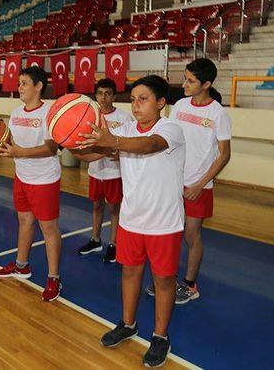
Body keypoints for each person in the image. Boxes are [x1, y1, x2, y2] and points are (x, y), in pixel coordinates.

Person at [75, 75, 185, 368]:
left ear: (161, 103)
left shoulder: (170, 129)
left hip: (164, 222)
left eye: (143, 98)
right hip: (131, 220)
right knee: (130, 274)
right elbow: (95, 154)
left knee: (163, 280)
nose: (136, 105)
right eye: (133, 98)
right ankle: (128, 323)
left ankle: (160, 336)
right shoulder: (123, 129)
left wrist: (114, 140)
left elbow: (149, 145)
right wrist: (67, 139)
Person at [149, 58, 231, 305]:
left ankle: (190, 284)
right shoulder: (181, 105)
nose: (184, 83)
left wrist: (200, 184)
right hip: (173, 181)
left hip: (199, 186)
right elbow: (170, 139)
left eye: (191, 80)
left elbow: (225, 154)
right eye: (185, 78)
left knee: (191, 235)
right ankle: (167, 280)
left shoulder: (218, 113)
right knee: (169, 232)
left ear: (206, 84)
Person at [0, 66, 62, 302]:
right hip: (21, 175)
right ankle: (22, 265)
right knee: (24, 220)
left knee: (49, 229)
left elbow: (51, 148)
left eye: (24, 83)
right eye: (19, 82)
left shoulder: (49, 113)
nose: (20, 87)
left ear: (39, 86)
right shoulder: (15, 113)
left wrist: (19, 152)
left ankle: (54, 277)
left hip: (44, 179)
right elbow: (11, 142)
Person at [75, 79, 133, 263]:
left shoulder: (124, 118)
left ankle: (114, 244)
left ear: (114, 96)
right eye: (100, 93)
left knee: (114, 209)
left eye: (108, 93)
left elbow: (130, 142)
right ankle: (95, 239)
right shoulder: (90, 116)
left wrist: (120, 154)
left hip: (114, 172)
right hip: (95, 170)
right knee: (96, 205)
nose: (103, 97)